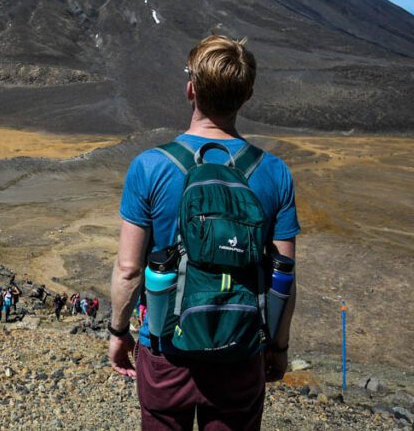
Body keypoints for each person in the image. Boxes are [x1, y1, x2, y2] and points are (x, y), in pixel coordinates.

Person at [107, 35, 300, 430]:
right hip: (240, 352)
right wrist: (278, 348)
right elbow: (283, 275)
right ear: (246, 95)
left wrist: (119, 332)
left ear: (191, 89)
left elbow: (128, 270)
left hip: (165, 351)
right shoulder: (274, 173)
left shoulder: (149, 166)